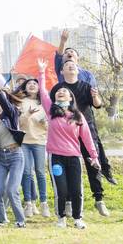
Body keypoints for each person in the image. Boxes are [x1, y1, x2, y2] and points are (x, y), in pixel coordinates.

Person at [38, 58, 100, 229]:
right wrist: (42, 72)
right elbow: (43, 92)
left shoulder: (78, 116)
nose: (61, 92)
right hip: (56, 158)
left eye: (64, 92)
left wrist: (94, 156)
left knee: (76, 190)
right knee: (61, 190)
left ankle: (78, 218)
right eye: (58, 91)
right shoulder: (51, 112)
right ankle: (61, 218)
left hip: (74, 157)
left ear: (71, 98)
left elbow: (87, 138)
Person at [49, 59, 111, 216]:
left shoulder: (86, 86)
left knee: (93, 164)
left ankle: (99, 199)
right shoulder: (58, 88)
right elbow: (51, 107)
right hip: (65, 136)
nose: (71, 65)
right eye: (66, 64)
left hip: (85, 127)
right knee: (66, 169)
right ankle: (68, 202)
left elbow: (97, 105)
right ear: (61, 71)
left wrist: (96, 96)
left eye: (74, 65)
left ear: (78, 70)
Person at [0, 78, 26, 227]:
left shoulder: (12, 113)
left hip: (15, 155)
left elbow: (5, 103)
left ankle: (20, 220)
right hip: (0, 157)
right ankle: (1, 219)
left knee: (12, 189)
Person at [15, 76, 50, 218]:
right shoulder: (20, 102)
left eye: (35, 83)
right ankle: (29, 203)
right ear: (24, 87)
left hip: (40, 141)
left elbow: (50, 125)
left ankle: (44, 203)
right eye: (29, 83)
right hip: (24, 141)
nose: (32, 85)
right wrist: (27, 114)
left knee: (40, 173)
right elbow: (19, 122)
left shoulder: (45, 104)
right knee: (27, 173)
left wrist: (44, 123)